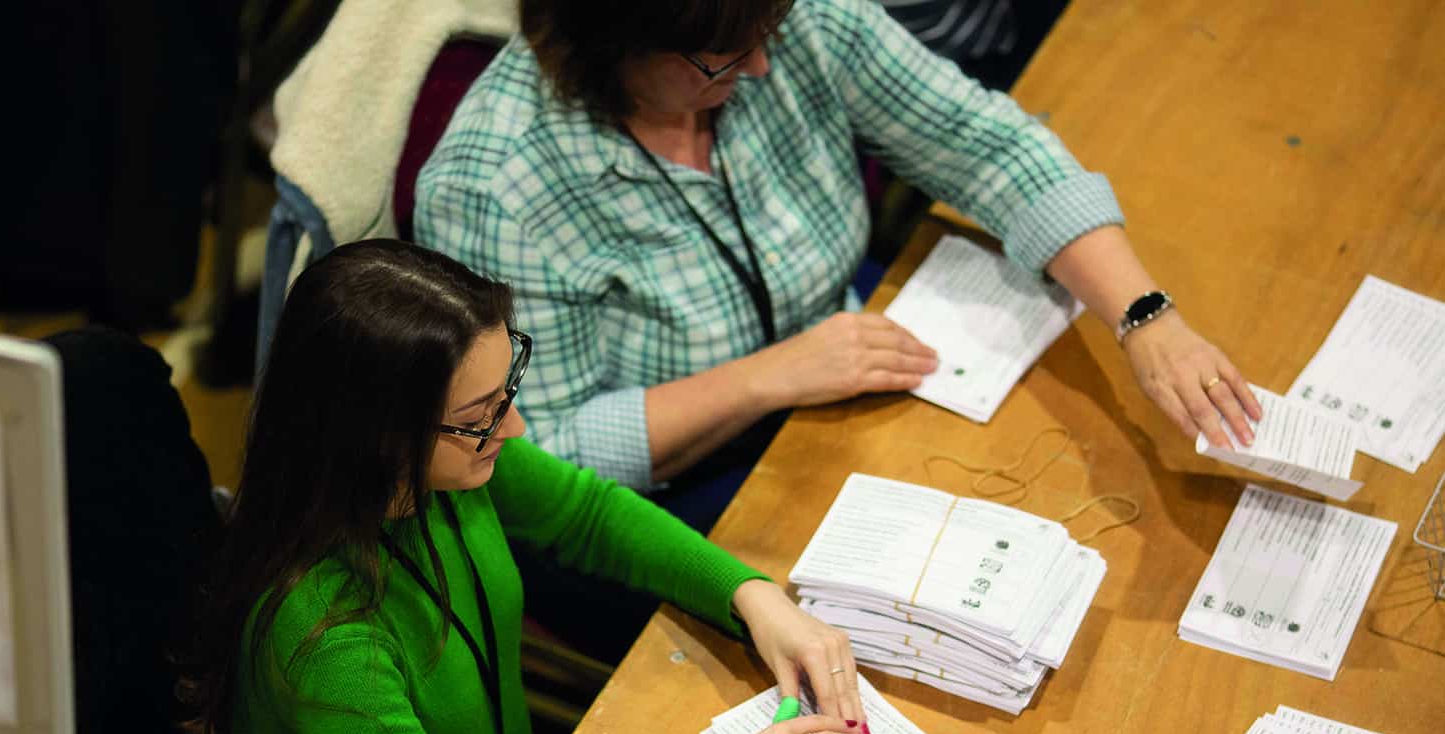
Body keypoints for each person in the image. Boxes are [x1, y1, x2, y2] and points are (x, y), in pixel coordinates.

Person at [179, 239, 874, 734]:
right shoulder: (324, 630)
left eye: (507, 389)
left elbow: (588, 515)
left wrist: (753, 597)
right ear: (380, 435)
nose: (510, 430)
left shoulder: (443, 470)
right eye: (481, 417)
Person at [417, 0, 1263, 510]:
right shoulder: (499, 185)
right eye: (724, 58)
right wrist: (766, 376)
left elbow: (986, 147)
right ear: (612, 45)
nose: (762, 64)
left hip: (834, 379)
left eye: (768, 29)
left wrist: (1148, 319)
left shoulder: (783, 23)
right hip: (674, 487)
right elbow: (532, 461)